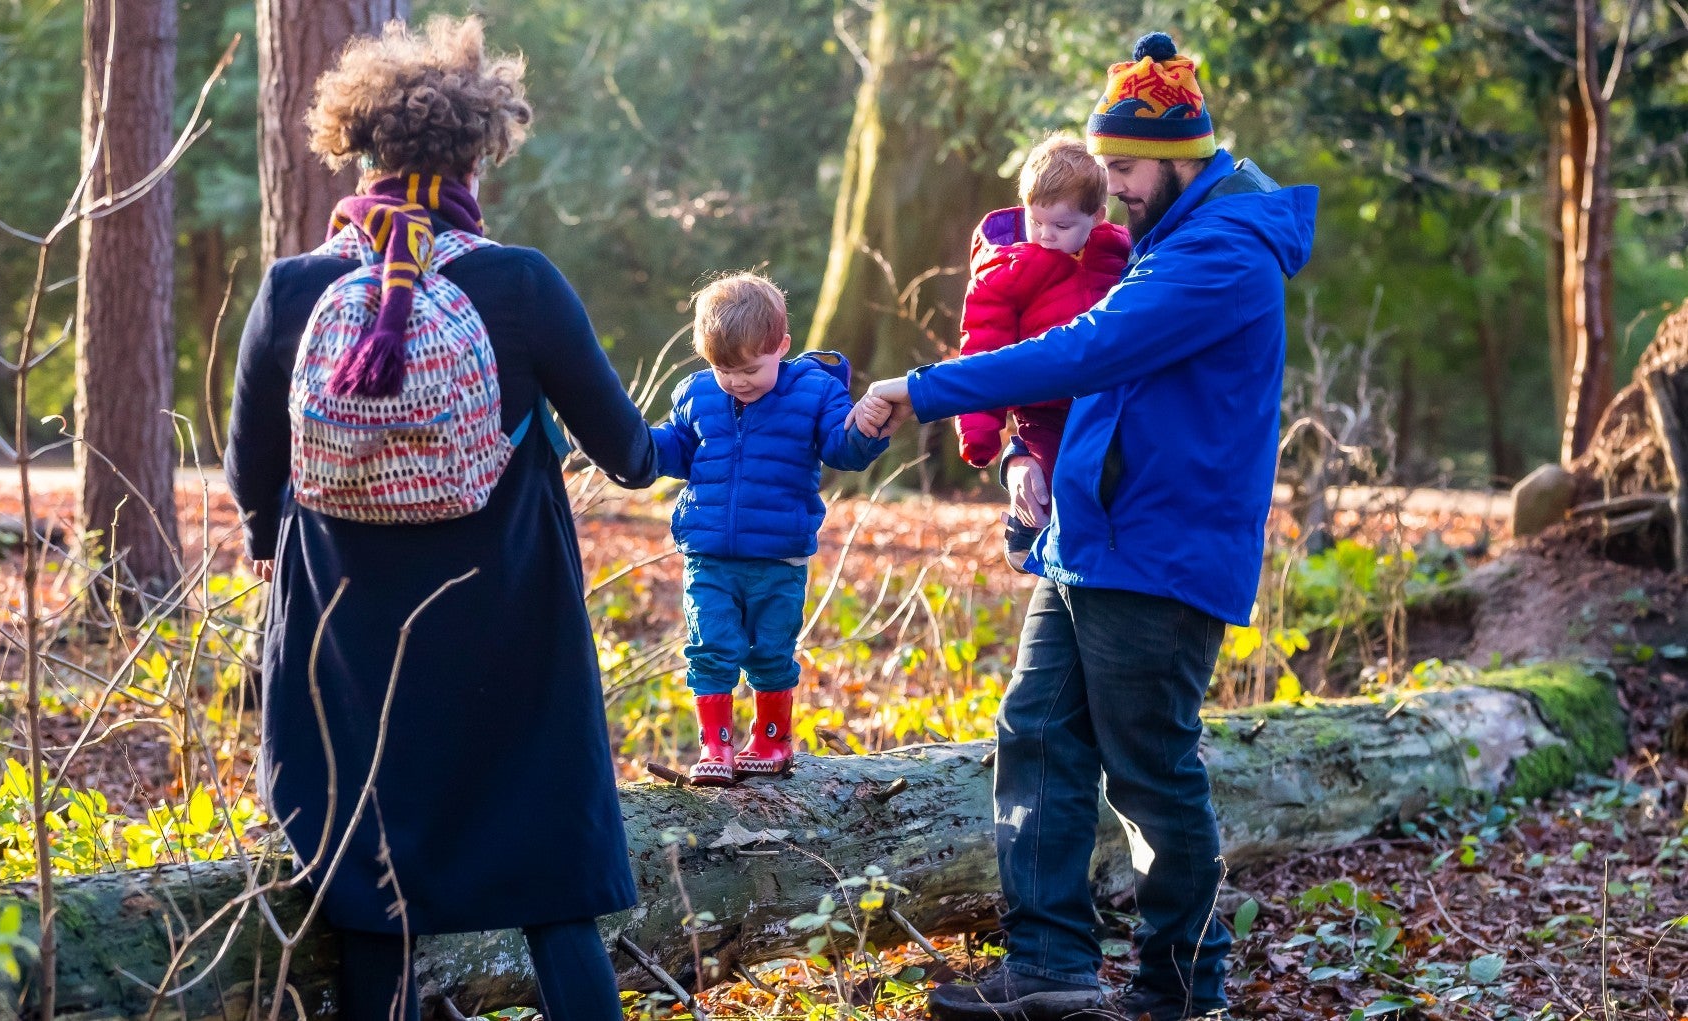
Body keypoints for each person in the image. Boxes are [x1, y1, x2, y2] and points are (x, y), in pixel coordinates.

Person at [855, 31, 1318, 1021]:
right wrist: (1024, 453)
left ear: (1183, 157)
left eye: (1123, 168)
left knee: (1148, 770)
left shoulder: (1221, 256)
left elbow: (1087, 351)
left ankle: (1183, 990)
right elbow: (1084, 384)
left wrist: (925, 389)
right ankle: (1051, 969)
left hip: (1160, 551)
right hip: (1091, 537)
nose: (1108, 188)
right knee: (1035, 735)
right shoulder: (1167, 240)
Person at [225, 17, 656, 1020]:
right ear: (476, 152)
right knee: (557, 893)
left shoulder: (293, 291)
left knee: (379, 901)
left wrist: (267, 548)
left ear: (359, 146)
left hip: (347, 644)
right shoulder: (519, 285)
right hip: (511, 634)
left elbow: (256, 478)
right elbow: (628, 453)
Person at [635, 272, 889, 785]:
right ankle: (716, 747)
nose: (737, 381)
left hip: (778, 557)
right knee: (712, 646)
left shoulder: (814, 391)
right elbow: (677, 449)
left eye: (751, 368)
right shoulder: (697, 392)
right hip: (708, 555)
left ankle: (772, 741)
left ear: (783, 347)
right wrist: (632, 444)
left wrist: (866, 427)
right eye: (724, 369)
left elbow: (842, 448)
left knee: (771, 648)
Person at [951, 133, 1130, 570]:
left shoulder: (1119, 252)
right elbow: (982, 346)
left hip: (1105, 397)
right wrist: (978, 430)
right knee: (1045, 477)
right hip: (1042, 406)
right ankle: (1028, 528)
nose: (1046, 236)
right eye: (1036, 222)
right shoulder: (1006, 270)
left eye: (1062, 226)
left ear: (1097, 217)